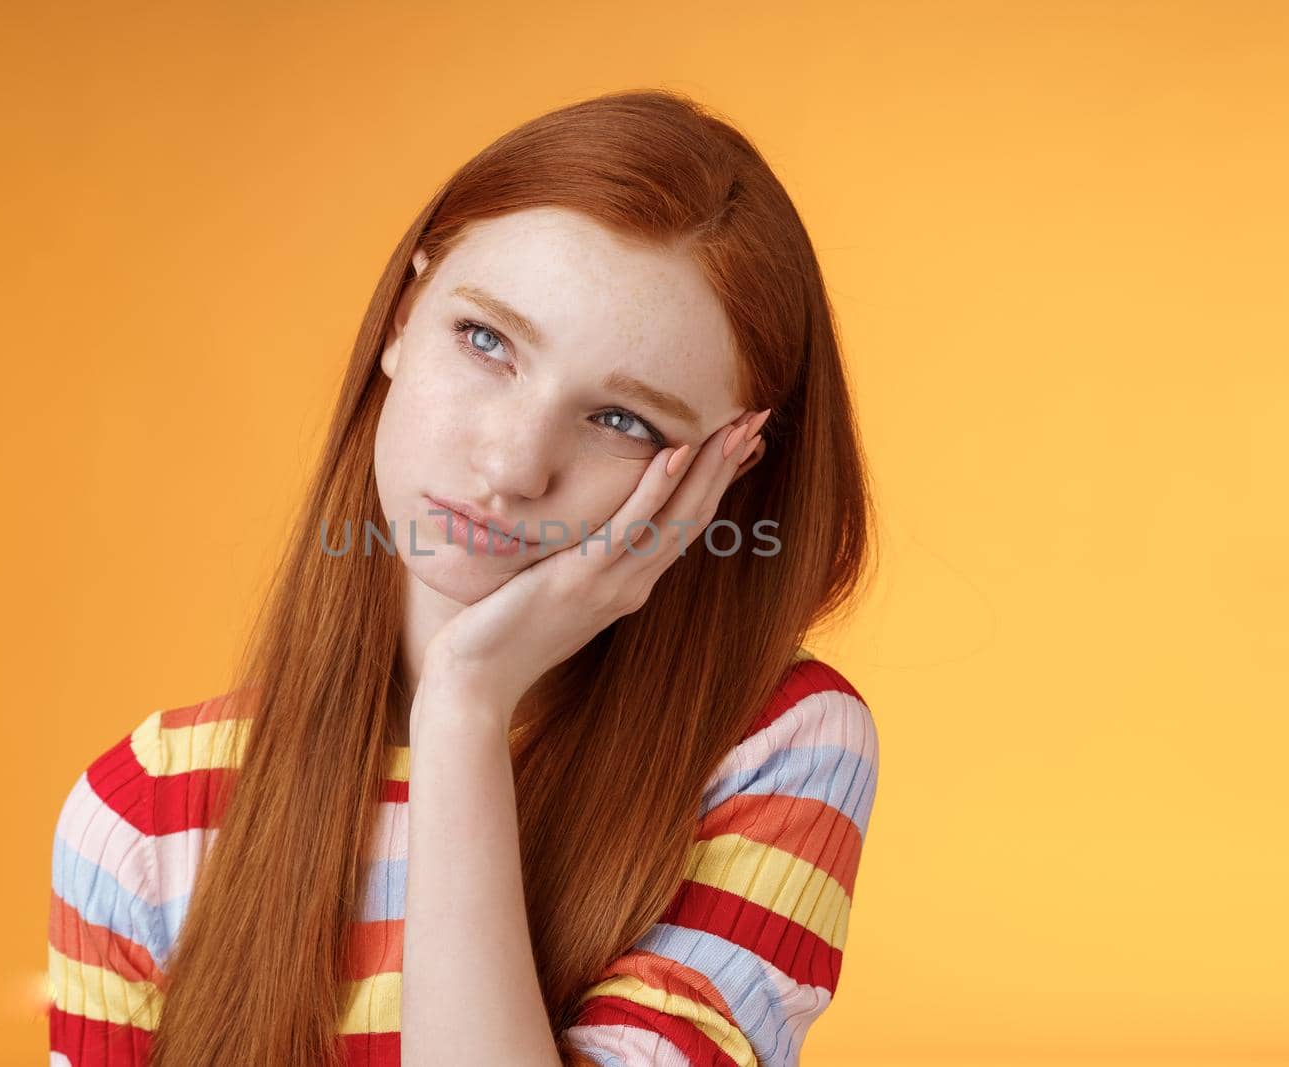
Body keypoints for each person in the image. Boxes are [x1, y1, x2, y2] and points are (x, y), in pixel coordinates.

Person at [47, 87, 881, 1067]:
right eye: (486, 341)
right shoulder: (148, 807)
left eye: (623, 420)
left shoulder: (773, 748)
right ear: (404, 315)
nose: (513, 466)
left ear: (722, 470)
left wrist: (462, 704)